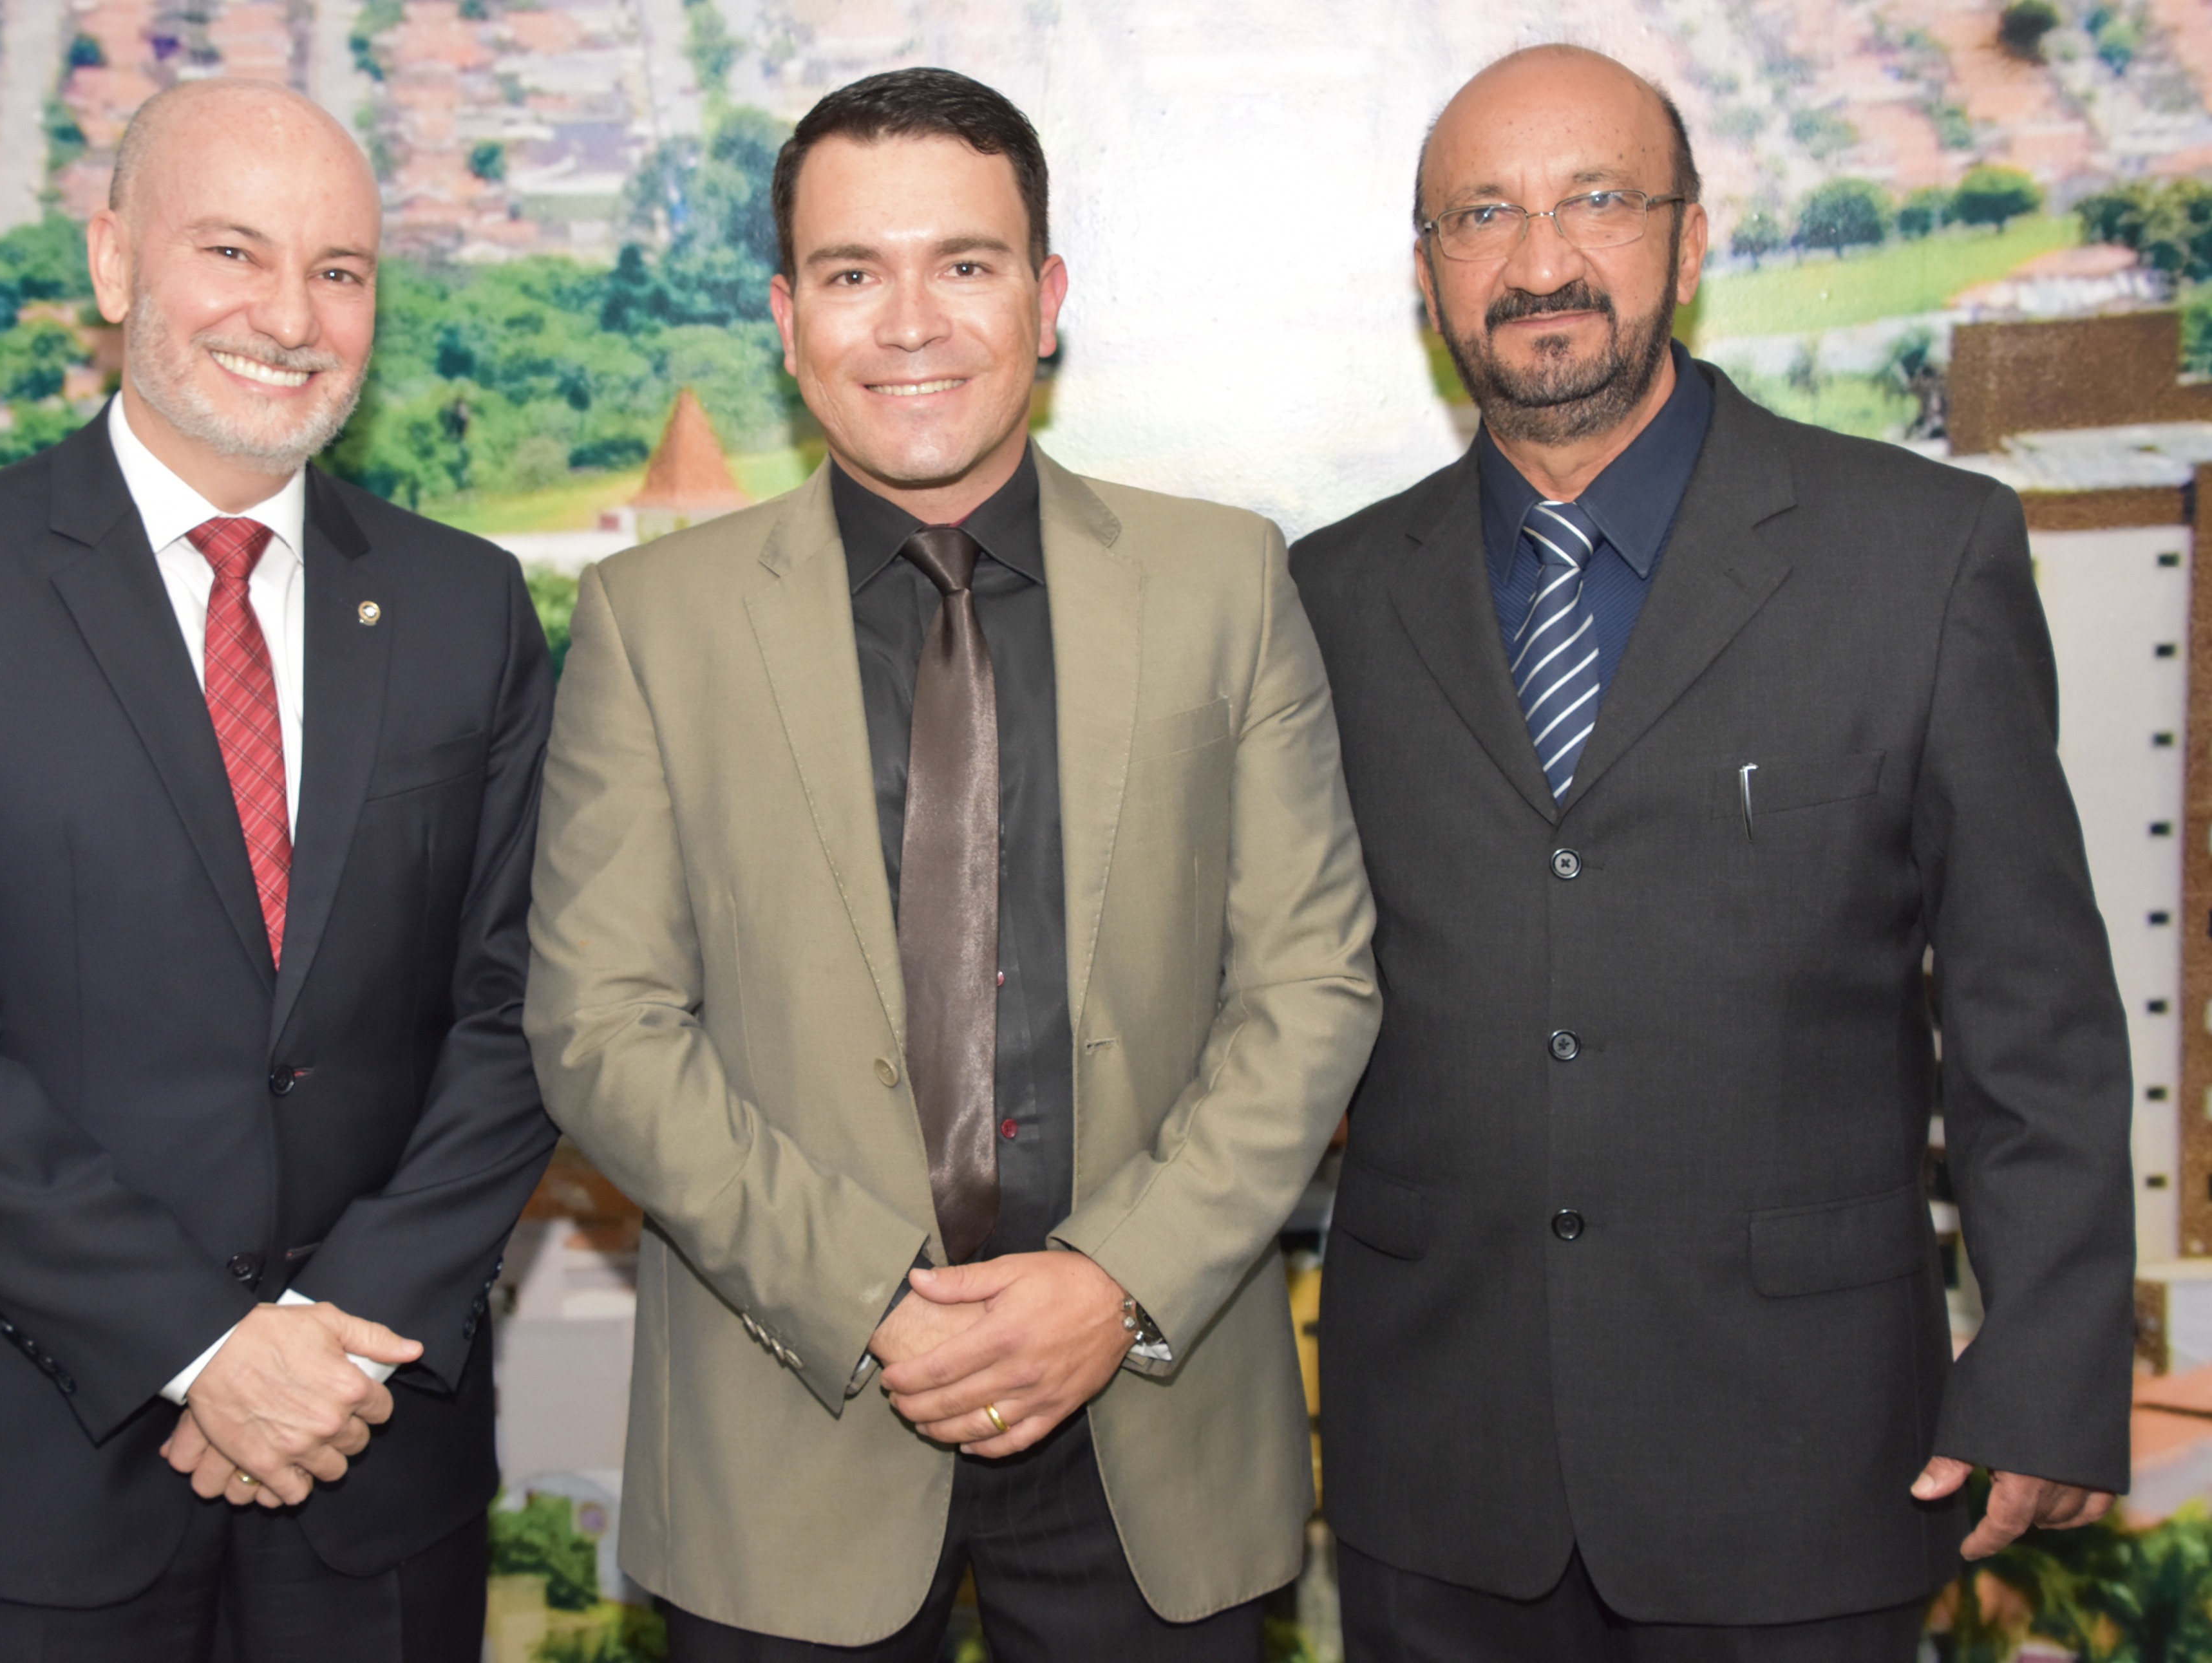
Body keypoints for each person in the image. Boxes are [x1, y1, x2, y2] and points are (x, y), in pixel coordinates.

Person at [1291, 44, 2133, 1662]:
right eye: (1484, 215)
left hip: (1804, 1456)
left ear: (1690, 240)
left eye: (1598, 200)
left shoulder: (1918, 556)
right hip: (1443, 1464)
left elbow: (2031, 1007)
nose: (1541, 261)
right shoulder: (1323, 600)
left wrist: (2047, 1355)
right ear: (1427, 271)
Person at [524, 66, 1377, 1661]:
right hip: (794, 1424)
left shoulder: (1225, 581)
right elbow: (600, 1021)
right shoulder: (655, 623)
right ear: (787, 321)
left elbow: (1311, 982)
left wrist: (1113, 1280)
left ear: (1045, 301)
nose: (909, 323)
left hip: (1153, 1420)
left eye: (964, 264)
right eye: (853, 272)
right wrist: (867, 1296)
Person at [0, 77, 557, 1660]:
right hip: (28, 1468)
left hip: (370, 1451)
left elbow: (525, 1005)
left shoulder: (466, 605)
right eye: (233, 251)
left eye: (338, 269)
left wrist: (327, 1346)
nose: (291, 315)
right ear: (112, 262)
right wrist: (207, 1345)